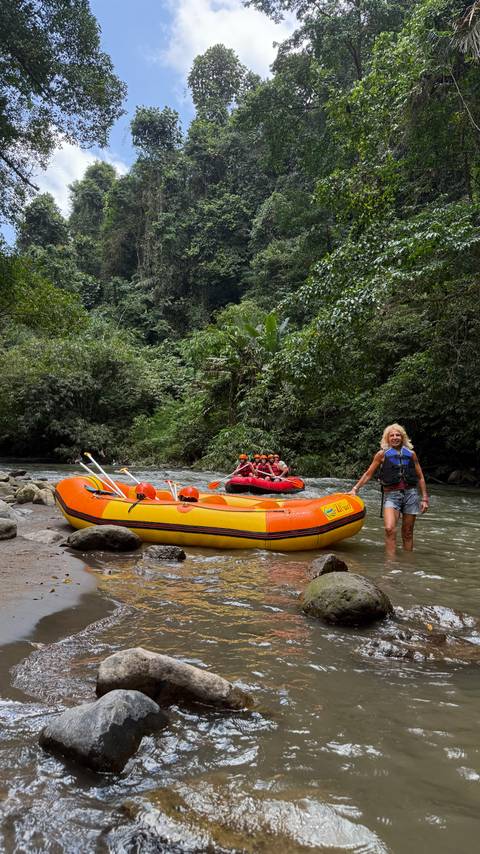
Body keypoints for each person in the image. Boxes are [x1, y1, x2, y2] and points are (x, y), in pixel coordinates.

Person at [349, 423, 429, 554]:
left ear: (403, 437)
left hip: (411, 494)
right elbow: (368, 474)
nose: (395, 437)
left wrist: (425, 499)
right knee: (389, 528)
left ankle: (408, 564)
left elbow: (420, 477)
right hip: (391, 495)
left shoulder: (411, 454)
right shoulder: (381, 454)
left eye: (398, 435)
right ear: (387, 438)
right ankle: (390, 566)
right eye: (392, 435)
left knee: (408, 532)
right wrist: (355, 489)